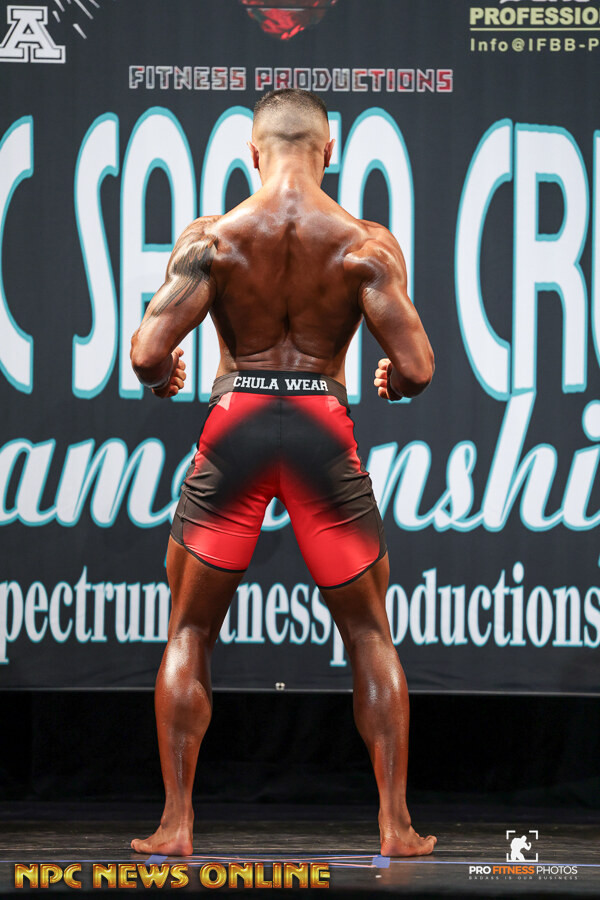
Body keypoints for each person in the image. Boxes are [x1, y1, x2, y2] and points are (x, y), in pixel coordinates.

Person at [129, 88, 435, 858]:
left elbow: (146, 352)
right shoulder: (365, 246)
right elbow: (418, 367)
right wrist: (396, 384)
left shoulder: (214, 239)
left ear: (252, 152)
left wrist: (164, 375)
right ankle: (395, 826)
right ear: (330, 151)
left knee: (190, 627)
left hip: (237, 422)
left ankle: (175, 824)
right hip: (318, 429)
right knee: (368, 631)